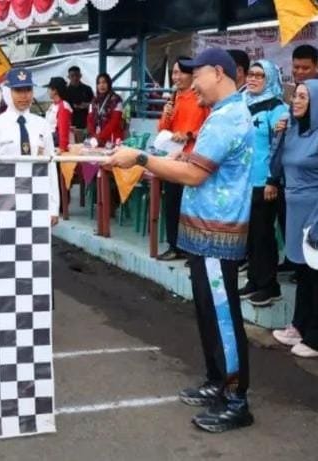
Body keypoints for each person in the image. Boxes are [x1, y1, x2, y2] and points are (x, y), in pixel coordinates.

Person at [109, 48, 254, 432]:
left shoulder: (228, 119)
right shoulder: (220, 115)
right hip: (205, 234)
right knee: (209, 314)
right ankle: (217, 381)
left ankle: (237, 399)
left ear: (220, 74)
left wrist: (140, 158)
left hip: (216, 235)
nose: (191, 83)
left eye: (197, 74)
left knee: (222, 317)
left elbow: (193, 175)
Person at [270, 80, 318, 358]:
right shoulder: (293, 130)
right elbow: (276, 167)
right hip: (294, 209)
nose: (296, 101)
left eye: (303, 97)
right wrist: (279, 137)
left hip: (314, 210)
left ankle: (315, 335)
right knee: (302, 271)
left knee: (315, 273)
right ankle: (299, 325)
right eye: (295, 96)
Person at [0, 67, 60, 227]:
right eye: (18, 90)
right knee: (5, 249)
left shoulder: (42, 125)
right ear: (8, 92)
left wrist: (54, 207)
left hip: (37, 199)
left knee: (35, 249)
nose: (24, 96)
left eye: (28, 90)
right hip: (5, 201)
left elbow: (50, 167)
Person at [238, 60, 288, 306]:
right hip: (244, 182)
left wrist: (272, 180)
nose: (253, 78)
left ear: (269, 79)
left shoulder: (277, 107)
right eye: (250, 74)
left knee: (264, 235)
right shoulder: (242, 102)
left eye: (259, 75)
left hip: (264, 182)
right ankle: (254, 280)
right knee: (250, 235)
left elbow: (279, 147)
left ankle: (270, 286)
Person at [157, 57, 211, 262]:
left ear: (192, 75)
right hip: (173, 157)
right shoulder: (173, 98)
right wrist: (166, 114)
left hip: (193, 158)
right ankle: (174, 245)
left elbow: (208, 127)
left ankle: (192, 249)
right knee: (171, 202)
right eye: (174, 73)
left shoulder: (201, 98)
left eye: (180, 73)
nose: (176, 77)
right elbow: (162, 129)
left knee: (190, 206)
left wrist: (189, 135)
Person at [87, 73, 124, 147]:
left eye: (104, 82)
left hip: (112, 139)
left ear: (109, 84)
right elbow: (89, 120)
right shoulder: (94, 101)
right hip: (96, 139)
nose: (101, 85)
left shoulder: (116, 100)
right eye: (99, 83)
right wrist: (94, 136)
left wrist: (100, 136)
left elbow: (114, 121)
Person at [44, 76, 73, 152]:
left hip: (57, 145)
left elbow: (63, 129)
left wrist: (62, 148)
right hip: (50, 142)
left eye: (49, 89)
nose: (48, 91)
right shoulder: (53, 105)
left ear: (55, 90)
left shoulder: (63, 106)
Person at [64, 66, 94, 136]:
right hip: (72, 125)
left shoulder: (87, 89)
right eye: (72, 76)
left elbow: (94, 104)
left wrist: (87, 105)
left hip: (86, 123)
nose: (75, 78)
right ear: (68, 77)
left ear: (80, 76)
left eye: (77, 75)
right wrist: (73, 107)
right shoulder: (66, 91)